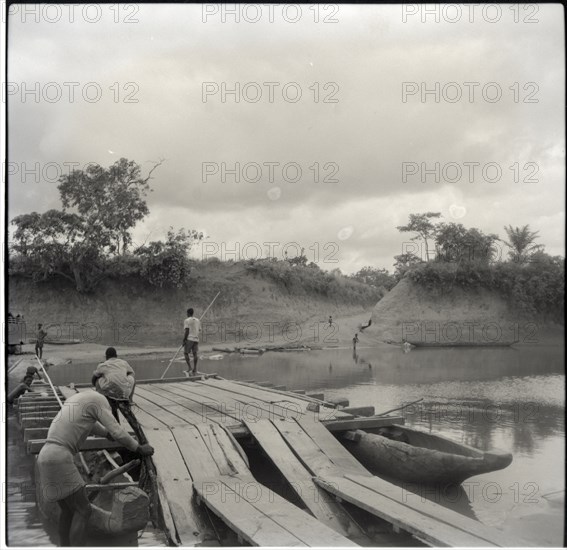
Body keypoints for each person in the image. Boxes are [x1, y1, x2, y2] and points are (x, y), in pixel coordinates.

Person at [36, 389, 154, 546]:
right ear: (112, 400)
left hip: (45, 455)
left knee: (68, 511)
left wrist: (106, 434)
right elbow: (118, 432)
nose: (114, 409)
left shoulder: (80, 398)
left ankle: (63, 546)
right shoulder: (100, 401)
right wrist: (139, 448)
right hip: (60, 458)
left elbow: (89, 424)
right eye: (116, 405)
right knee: (84, 510)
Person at [92, 347, 136, 420]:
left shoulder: (103, 365)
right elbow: (132, 373)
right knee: (132, 379)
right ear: (116, 355)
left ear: (106, 357)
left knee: (98, 379)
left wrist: (98, 385)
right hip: (125, 393)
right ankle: (130, 399)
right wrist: (124, 377)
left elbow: (93, 379)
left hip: (112, 393)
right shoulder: (123, 362)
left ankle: (101, 400)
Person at [183, 308, 201, 375]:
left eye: (187, 313)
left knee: (185, 353)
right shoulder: (198, 320)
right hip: (196, 339)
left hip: (189, 339)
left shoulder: (186, 320)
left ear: (188, 313)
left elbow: (187, 331)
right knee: (195, 354)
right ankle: (195, 368)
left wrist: (184, 340)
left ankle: (190, 368)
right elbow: (199, 330)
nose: (186, 314)